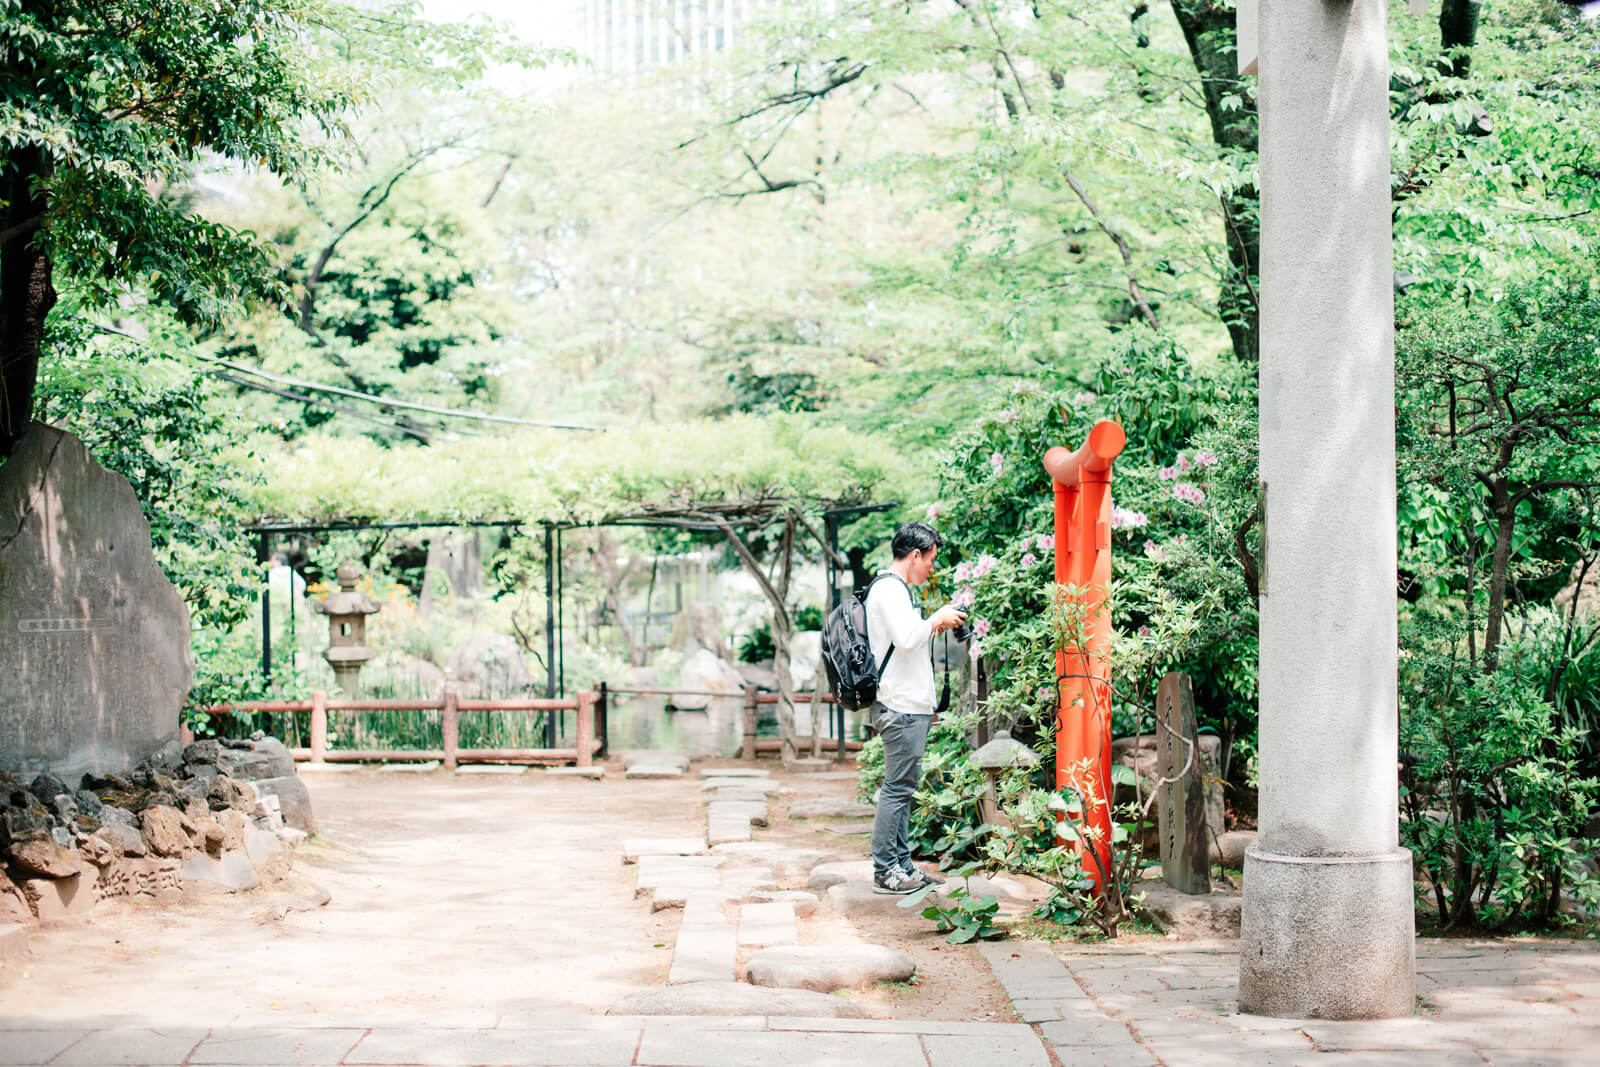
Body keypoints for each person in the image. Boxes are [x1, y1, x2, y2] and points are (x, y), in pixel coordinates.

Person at [866, 522, 966, 893]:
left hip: (907, 705)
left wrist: (931, 626)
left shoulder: (896, 590)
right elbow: (907, 640)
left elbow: (908, 638)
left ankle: (902, 866)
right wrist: (936, 619)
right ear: (915, 555)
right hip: (900, 706)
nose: (931, 568)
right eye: (931, 560)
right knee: (897, 788)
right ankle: (885, 870)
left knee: (903, 787)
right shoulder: (890, 590)